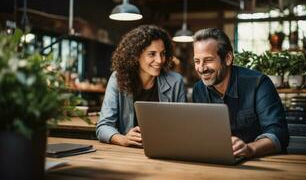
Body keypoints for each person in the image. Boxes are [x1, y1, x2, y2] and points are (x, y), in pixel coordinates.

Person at [191, 28, 289, 158]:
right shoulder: (198, 90)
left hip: (262, 165)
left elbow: (279, 134)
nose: (201, 68)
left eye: (208, 60)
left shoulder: (259, 83)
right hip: (219, 163)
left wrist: (250, 149)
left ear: (228, 58)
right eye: (197, 61)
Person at [96, 25, 187, 147]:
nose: (160, 60)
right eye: (152, 54)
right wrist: (123, 139)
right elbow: (103, 126)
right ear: (136, 55)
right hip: (128, 153)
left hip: (165, 149)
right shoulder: (118, 78)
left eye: (163, 53)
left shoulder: (176, 81)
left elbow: (182, 127)